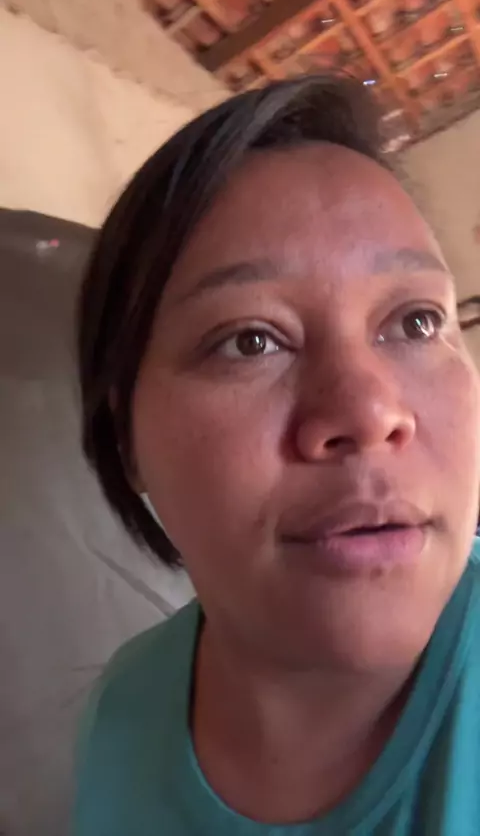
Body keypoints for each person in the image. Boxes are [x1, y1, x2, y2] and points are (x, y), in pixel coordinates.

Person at [74, 75, 480, 835]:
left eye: (417, 322)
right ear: (126, 439)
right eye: (250, 341)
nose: (370, 413)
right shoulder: (122, 715)